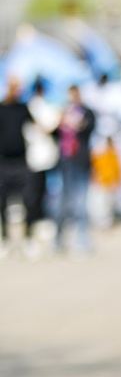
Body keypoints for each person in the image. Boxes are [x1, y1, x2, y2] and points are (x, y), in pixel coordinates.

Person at [55, 84, 96, 252]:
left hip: (81, 160)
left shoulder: (87, 113)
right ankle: (58, 240)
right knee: (63, 201)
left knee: (81, 201)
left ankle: (82, 241)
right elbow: (54, 132)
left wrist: (76, 123)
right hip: (65, 161)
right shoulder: (63, 112)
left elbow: (89, 128)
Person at [24, 77, 60, 255]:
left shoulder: (45, 107)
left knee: (45, 193)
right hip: (35, 159)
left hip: (45, 158)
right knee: (35, 195)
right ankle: (36, 227)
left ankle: (43, 224)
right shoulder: (34, 108)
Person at [0, 78, 32, 255]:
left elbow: (34, 128)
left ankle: (27, 238)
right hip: (4, 162)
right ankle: (5, 239)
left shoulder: (23, 108)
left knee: (27, 200)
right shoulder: (1, 108)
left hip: (21, 161)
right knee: (2, 202)